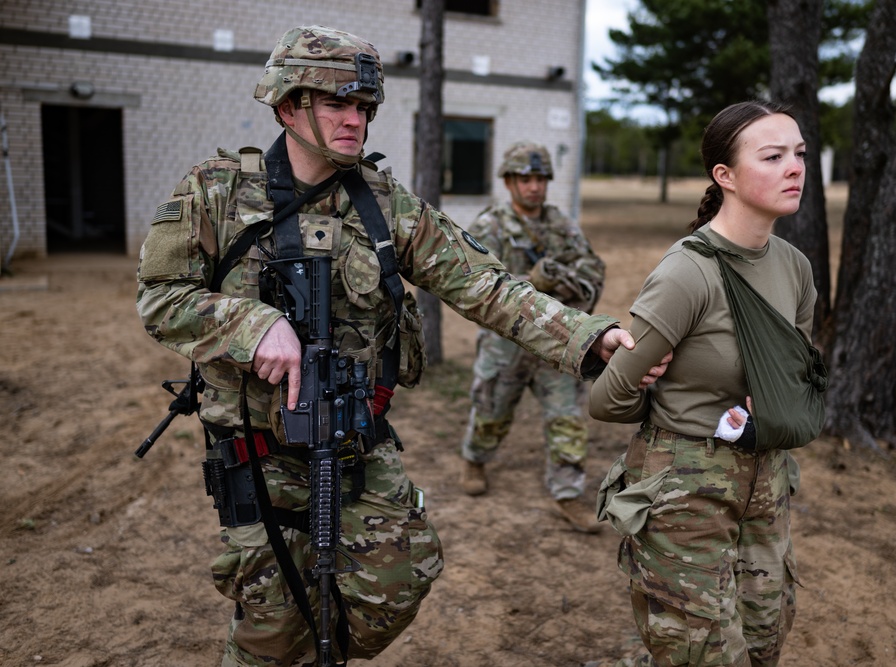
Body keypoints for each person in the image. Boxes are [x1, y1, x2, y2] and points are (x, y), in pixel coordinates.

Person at [136, 26, 665, 667]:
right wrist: (252, 326)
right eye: (335, 104)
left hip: (358, 438)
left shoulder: (385, 205)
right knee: (273, 625)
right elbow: (160, 297)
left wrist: (589, 335)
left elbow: (487, 286)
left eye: (363, 107)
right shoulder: (217, 193)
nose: (354, 120)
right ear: (286, 106)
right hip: (258, 449)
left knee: (399, 583)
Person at [589, 100, 815, 667]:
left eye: (799, 154)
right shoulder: (687, 274)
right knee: (701, 649)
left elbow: (801, 371)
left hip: (766, 475)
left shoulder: (794, 267)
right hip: (686, 483)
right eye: (773, 156)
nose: (795, 168)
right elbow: (607, 398)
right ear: (726, 176)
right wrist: (649, 381)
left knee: (765, 638)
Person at [458, 141, 606, 533]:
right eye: (525, 178)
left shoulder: (561, 225)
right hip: (504, 343)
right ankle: (475, 458)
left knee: (568, 417)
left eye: (540, 178)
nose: (534, 187)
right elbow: (473, 285)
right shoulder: (490, 226)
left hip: (555, 342)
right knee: (491, 409)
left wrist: (567, 283)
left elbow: (593, 271)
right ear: (509, 182)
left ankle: (568, 494)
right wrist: (531, 284)